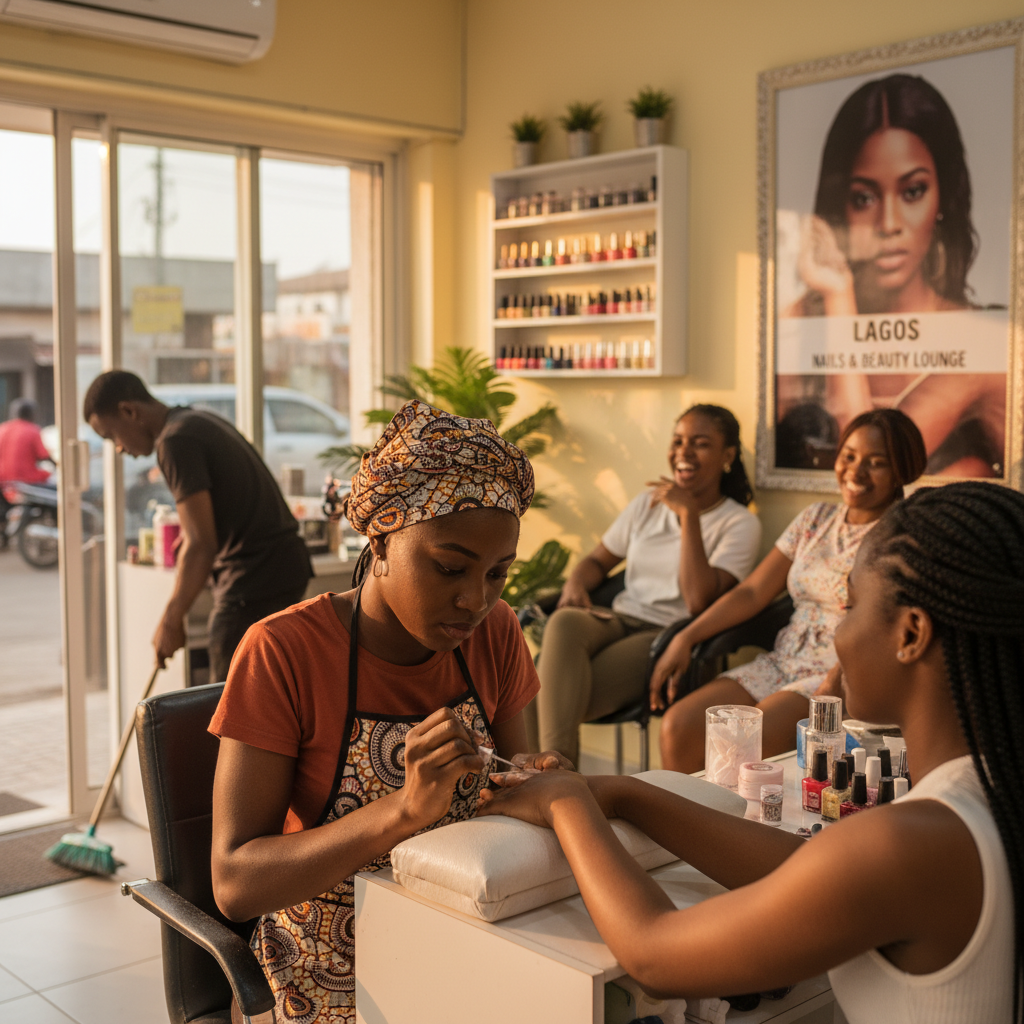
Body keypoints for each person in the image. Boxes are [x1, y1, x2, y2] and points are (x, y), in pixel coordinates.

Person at [479, 481, 1024, 1023]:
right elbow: (813, 870)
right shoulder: (978, 799)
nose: (835, 633)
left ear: (911, 633)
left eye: (850, 605)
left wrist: (566, 806)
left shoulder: (909, 844)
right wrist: (621, 792)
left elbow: (656, 955)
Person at [208, 400, 566, 1024]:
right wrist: (402, 809)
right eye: (450, 567)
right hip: (332, 966)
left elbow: (507, 789)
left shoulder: (497, 632)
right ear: (381, 539)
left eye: (499, 575)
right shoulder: (284, 652)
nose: (474, 599)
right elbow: (236, 885)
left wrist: (533, 779)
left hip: (470, 937)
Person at [652, 408, 926, 772]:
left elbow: (885, 629)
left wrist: (834, 682)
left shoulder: (901, 537)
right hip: (784, 661)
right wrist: (685, 638)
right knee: (678, 725)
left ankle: (727, 826)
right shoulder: (815, 518)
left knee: (745, 740)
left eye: (876, 463)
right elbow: (752, 593)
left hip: (842, 671)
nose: (856, 472)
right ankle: (674, 823)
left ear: (901, 472)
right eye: (848, 457)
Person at [777, 73, 1005, 477]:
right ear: (840, 208)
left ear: (942, 199)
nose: (889, 222)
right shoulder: (801, 321)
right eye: (864, 198)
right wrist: (836, 292)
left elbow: (873, 469)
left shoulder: (982, 340)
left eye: (912, 191)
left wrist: (840, 298)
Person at [532, 405, 761, 766]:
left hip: (664, 635)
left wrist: (688, 515)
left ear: (727, 456)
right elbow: (597, 561)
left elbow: (699, 600)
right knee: (563, 623)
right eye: (678, 441)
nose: (683, 452)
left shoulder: (738, 524)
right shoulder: (647, 504)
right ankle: (554, 774)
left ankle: (550, 775)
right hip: (616, 618)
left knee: (541, 692)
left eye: (700, 443)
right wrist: (576, 583)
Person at [82, 370, 312, 681]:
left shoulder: (175, 442)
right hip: (283, 568)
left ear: (129, 411)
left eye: (111, 436)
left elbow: (202, 545)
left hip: (253, 579)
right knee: (264, 696)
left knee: (231, 704)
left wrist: (171, 620)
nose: (119, 448)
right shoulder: (196, 420)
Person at [0, 398, 54, 486]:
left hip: (2, 481)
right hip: (26, 480)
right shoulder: (32, 430)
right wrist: (59, 465)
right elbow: (43, 456)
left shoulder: (2, 428)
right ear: (31, 414)